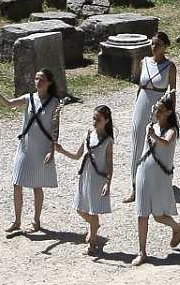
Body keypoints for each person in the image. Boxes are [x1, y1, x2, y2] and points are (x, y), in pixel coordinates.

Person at [0, 70, 58, 233]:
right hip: (25, 147)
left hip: (41, 148)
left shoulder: (55, 103)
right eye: (36, 78)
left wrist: (52, 150)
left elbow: (55, 129)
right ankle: (17, 220)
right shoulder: (29, 98)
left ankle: (36, 220)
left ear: (49, 83)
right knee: (17, 183)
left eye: (42, 79)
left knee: (36, 185)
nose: (38, 81)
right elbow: (9, 104)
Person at [54, 106, 114, 255]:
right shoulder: (88, 134)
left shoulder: (108, 141)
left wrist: (108, 182)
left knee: (93, 210)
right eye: (94, 118)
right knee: (80, 208)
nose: (94, 121)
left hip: (98, 179)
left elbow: (109, 163)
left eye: (98, 119)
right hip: (85, 177)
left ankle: (92, 243)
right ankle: (94, 225)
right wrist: (61, 150)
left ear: (106, 121)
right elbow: (77, 155)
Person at [124, 32, 176, 203]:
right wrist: (136, 106)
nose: (154, 47)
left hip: (160, 108)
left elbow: (172, 94)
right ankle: (134, 186)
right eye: (152, 44)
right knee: (138, 143)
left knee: (156, 145)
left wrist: (170, 117)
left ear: (165, 46)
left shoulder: (170, 67)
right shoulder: (144, 62)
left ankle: (156, 182)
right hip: (142, 106)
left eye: (158, 44)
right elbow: (140, 87)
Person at [132, 92, 180, 266]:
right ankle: (142, 251)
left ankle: (177, 227)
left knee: (158, 216)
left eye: (161, 110)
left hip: (161, 176)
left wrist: (153, 135)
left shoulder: (172, 131)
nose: (157, 113)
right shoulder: (150, 126)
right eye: (156, 109)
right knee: (142, 213)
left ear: (168, 112)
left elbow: (166, 142)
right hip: (144, 172)